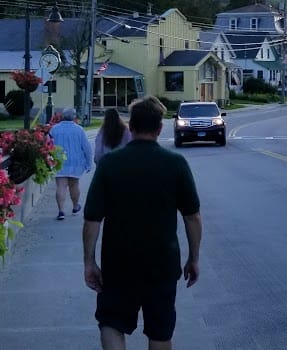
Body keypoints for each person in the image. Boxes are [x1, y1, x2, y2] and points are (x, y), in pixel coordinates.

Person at [83, 96, 202, 350]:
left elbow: (92, 219)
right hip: (162, 264)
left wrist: (89, 261)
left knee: (112, 323)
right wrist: (194, 257)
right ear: (159, 129)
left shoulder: (109, 165)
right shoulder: (175, 164)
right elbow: (192, 217)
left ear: (132, 127)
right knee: (160, 332)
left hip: (118, 264)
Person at [49, 107, 93, 220]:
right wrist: (89, 163)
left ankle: (61, 211)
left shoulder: (54, 129)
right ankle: (75, 206)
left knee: (61, 186)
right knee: (74, 185)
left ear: (62, 116)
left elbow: (48, 145)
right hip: (76, 162)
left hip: (59, 161)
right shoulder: (79, 130)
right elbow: (87, 148)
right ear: (74, 117)